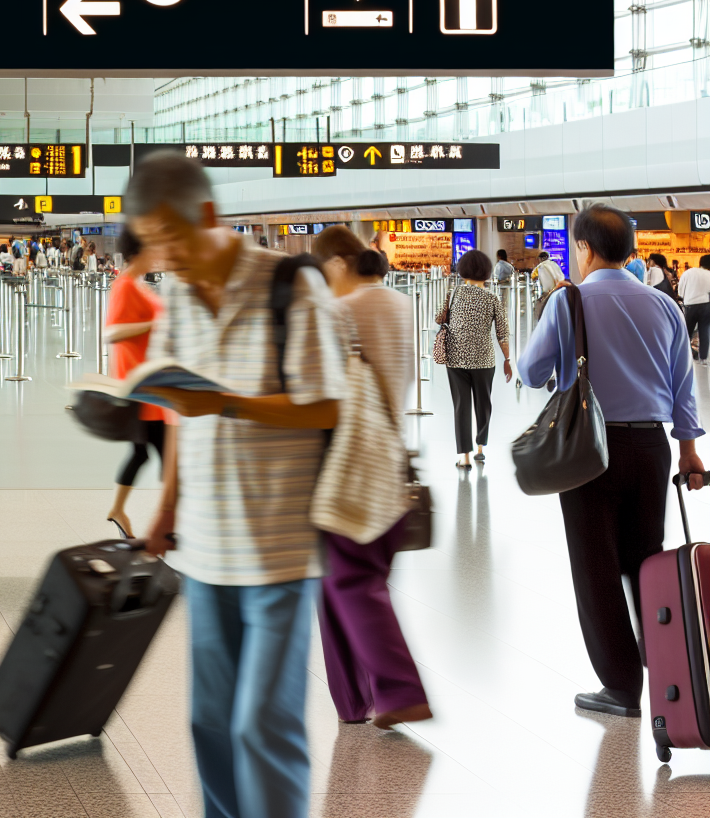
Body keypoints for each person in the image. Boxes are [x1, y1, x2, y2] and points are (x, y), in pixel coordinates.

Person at [128, 152, 346, 818]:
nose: (165, 256)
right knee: (211, 725)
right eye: (153, 246)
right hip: (204, 550)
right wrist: (164, 512)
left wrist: (227, 404)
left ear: (211, 217)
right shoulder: (175, 306)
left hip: (280, 548)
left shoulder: (289, 286)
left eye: (174, 238)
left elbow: (328, 406)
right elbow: (177, 423)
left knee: (261, 724)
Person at [517, 204, 705, 718]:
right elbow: (683, 387)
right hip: (650, 448)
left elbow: (531, 374)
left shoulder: (568, 300)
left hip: (587, 450)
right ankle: (667, 663)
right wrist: (689, 451)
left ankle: (621, 688)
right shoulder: (663, 304)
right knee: (645, 558)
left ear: (584, 248)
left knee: (595, 566)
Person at [309, 225, 431, 729]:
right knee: (350, 580)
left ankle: (388, 691)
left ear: (337, 263)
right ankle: (356, 701)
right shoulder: (400, 304)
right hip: (391, 453)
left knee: (346, 578)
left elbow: (322, 395)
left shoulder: (339, 312)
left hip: (347, 463)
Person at [103, 228, 169, 536]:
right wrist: (154, 324)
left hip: (150, 384)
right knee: (167, 455)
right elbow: (111, 333)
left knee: (144, 452)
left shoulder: (141, 285)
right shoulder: (125, 285)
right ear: (138, 252)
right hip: (139, 385)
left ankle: (121, 510)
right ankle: (171, 522)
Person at [437, 249, 510, 469]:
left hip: (456, 358)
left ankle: (464, 456)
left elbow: (438, 318)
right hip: (484, 359)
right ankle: (480, 447)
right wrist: (507, 359)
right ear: (487, 272)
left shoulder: (454, 293)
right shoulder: (492, 298)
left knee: (461, 406)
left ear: (463, 270)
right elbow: (503, 333)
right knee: (483, 403)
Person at [681, 255, 710, 363]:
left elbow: (680, 289)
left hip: (690, 305)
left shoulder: (689, 272)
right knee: (704, 331)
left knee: (687, 332)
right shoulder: (709, 274)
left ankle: (684, 355)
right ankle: (703, 358)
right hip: (706, 305)